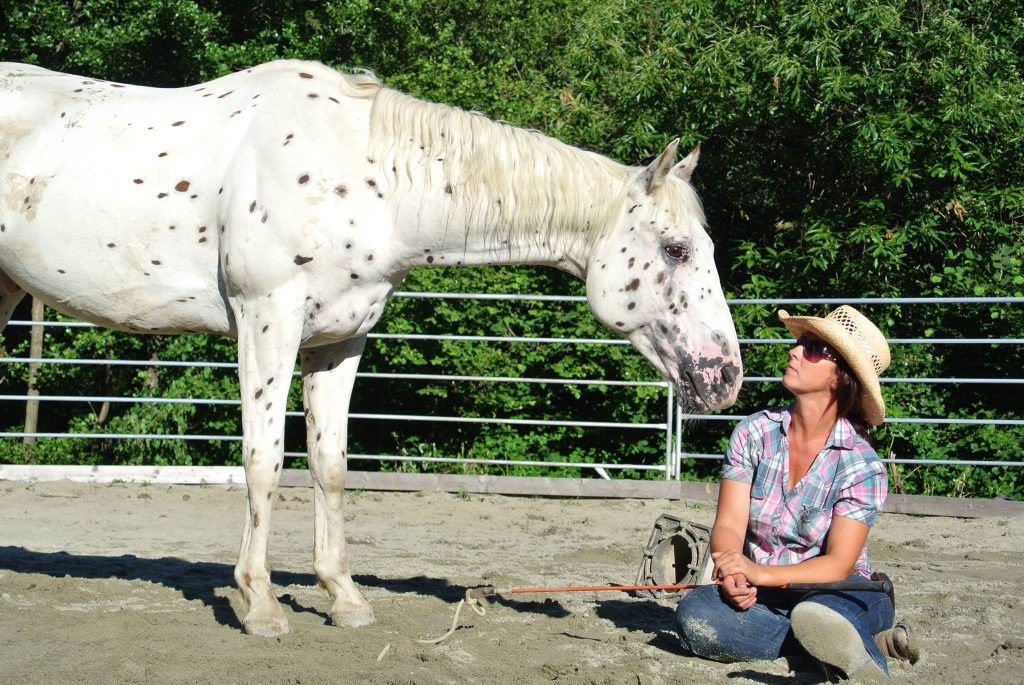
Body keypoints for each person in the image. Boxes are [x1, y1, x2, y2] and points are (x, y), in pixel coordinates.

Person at [675, 305, 920, 683]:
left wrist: (758, 571)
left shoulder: (861, 464)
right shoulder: (753, 433)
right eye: (800, 342)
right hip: (764, 594)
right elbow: (728, 524)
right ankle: (846, 642)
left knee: (823, 612)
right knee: (696, 614)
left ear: (841, 378)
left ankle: (844, 639)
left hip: (837, 590)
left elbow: (837, 565)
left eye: (814, 348)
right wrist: (730, 568)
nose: (794, 351)